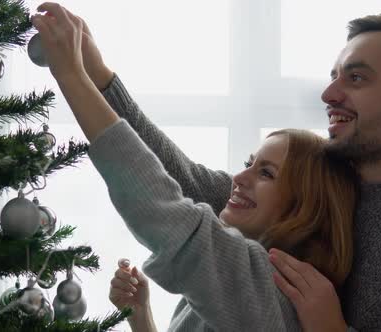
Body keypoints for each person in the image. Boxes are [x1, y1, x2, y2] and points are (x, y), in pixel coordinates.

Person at [82, 13, 381, 331]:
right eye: (334, 76)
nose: (329, 94)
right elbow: (182, 183)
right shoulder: (317, 178)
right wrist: (98, 79)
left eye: (356, 78)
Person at [31, 3, 361, 331]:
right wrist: (142, 317)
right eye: (249, 164)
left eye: (266, 173)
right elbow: (179, 174)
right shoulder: (238, 276)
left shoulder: (273, 290)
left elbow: (161, 205)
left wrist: (72, 75)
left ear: (302, 210)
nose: (239, 178)